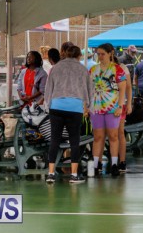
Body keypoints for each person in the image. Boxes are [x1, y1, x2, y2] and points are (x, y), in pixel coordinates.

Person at [44, 43, 93, 184]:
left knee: (55, 140)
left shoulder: (56, 67)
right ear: (79, 55)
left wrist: (48, 104)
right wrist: (88, 106)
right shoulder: (83, 69)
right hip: (75, 108)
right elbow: (89, 89)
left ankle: (51, 174)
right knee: (74, 141)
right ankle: (74, 175)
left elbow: (48, 88)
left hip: (56, 106)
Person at [91, 43, 126, 177]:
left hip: (112, 108)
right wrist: (86, 105)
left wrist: (120, 106)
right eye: (98, 54)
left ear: (110, 53)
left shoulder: (118, 69)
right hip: (96, 107)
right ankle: (96, 165)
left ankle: (114, 164)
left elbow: (122, 89)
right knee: (98, 137)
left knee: (113, 136)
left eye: (103, 54)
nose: (100, 57)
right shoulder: (93, 69)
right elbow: (89, 88)